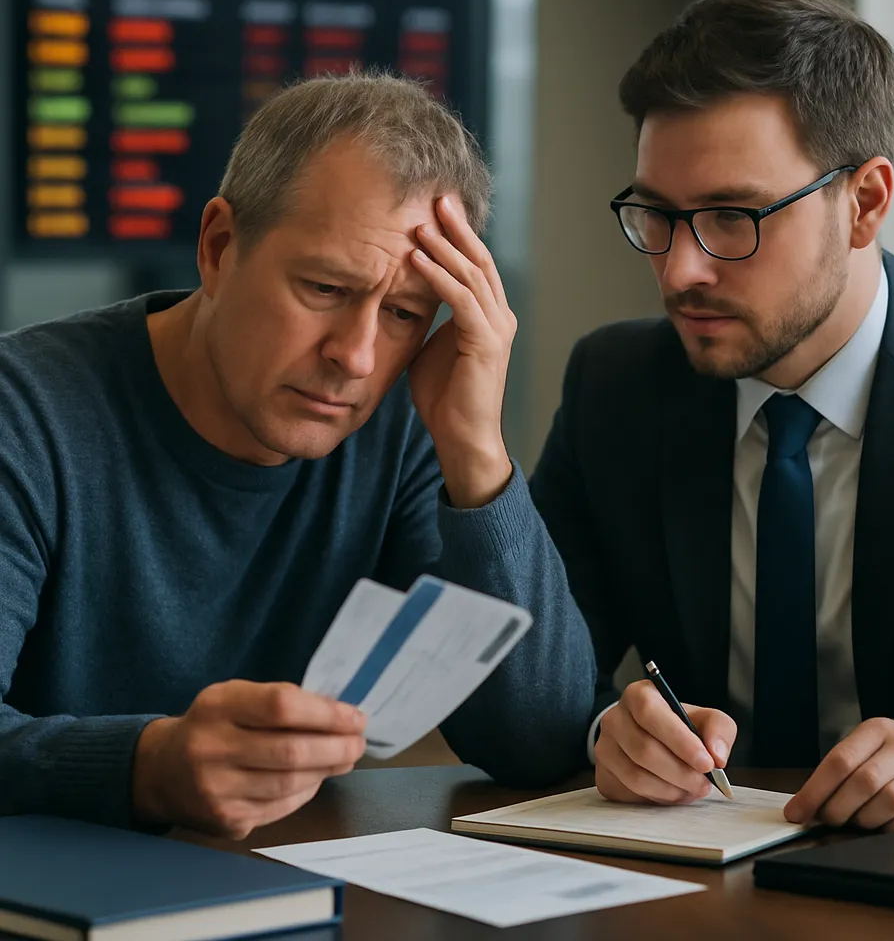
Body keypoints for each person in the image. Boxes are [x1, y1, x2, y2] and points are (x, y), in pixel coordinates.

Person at [0, 73, 596, 838]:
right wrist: (144, 766)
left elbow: (538, 744)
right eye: (324, 287)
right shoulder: (25, 413)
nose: (354, 356)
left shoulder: (399, 431)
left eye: (405, 314)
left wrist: (477, 453)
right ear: (218, 247)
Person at [531, 0, 894, 832]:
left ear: (865, 201)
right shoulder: (616, 386)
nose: (681, 270)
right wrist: (609, 728)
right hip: (691, 883)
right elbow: (532, 669)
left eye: (731, 216)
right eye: (656, 213)